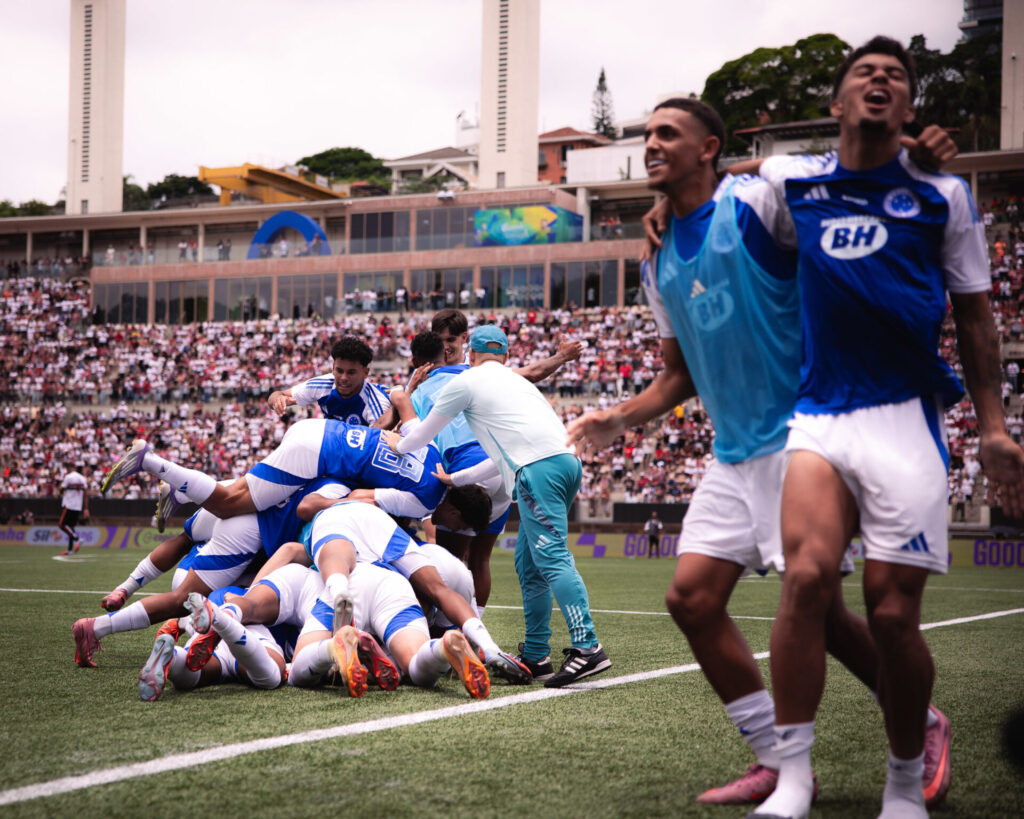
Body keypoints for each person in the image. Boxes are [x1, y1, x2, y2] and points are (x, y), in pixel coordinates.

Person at [572, 95, 954, 810]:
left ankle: (921, 720)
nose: (650, 144)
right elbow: (677, 373)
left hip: (800, 437)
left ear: (710, 146)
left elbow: (834, 171)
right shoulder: (656, 260)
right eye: (645, 134)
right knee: (690, 598)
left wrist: (910, 152)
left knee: (824, 614)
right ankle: (774, 758)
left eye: (666, 133)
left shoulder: (754, 206)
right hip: (734, 450)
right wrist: (617, 418)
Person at [747, 37, 1024, 819]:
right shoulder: (789, 180)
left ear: (909, 110)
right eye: (863, 74)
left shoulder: (945, 195)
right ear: (837, 105)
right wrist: (666, 201)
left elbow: (975, 319)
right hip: (821, 413)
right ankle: (794, 778)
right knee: (805, 579)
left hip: (908, 417)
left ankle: (904, 781)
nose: (879, 81)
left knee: (893, 614)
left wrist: (994, 427)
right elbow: (724, 194)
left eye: (895, 77)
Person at [386, 325, 610, 688]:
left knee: (550, 557)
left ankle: (588, 647)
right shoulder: (518, 382)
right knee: (530, 563)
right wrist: (456, 481)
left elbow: (420, 437)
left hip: (538, 469)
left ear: (470, 355)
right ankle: (537, 655)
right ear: (505, 356)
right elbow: (500, 455)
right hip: (564, 465)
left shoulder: (466, 382)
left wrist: (392, 436)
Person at [267, 336, 391, 425]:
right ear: (333, 368)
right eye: (339, 370)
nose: (343, 378)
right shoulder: (321, 385)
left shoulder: (377, 404)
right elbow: (277, 395)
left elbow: (374, 449)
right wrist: (278, 400)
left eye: (351, 372)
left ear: (365, 373)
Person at [58, 467, 89, 554]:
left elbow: (60, 490)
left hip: (69, 505)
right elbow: (86, 494)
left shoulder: (68, 477)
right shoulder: (82, 478)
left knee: (61, 525)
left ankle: (78, 539)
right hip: (78, 506)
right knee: (71, 527)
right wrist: (86, 508)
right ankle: (70, 550)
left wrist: (62, 480)